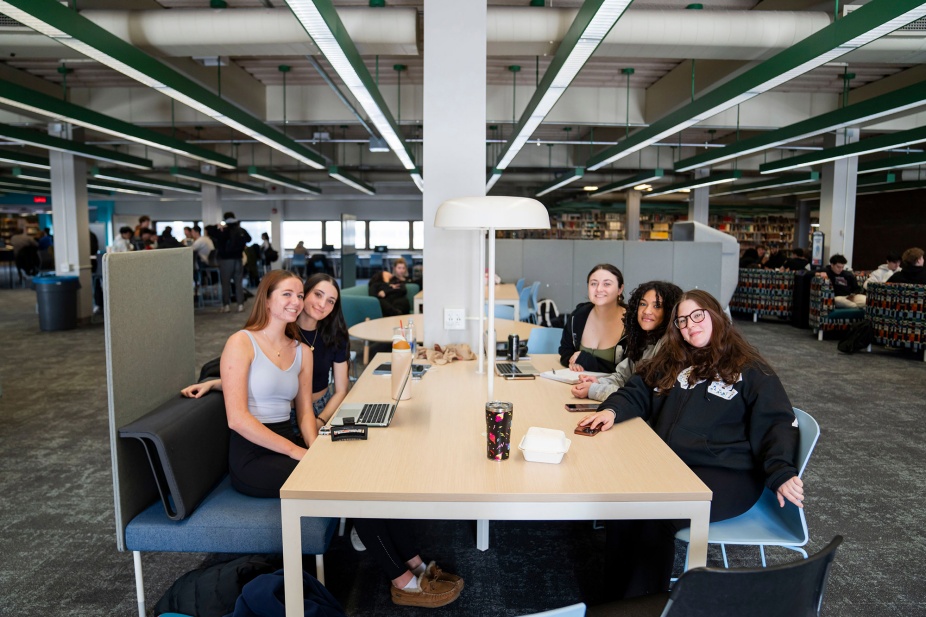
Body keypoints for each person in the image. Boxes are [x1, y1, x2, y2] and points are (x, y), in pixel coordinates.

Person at [182, 270, 464, 607]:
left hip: (288, 441)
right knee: (349, 486)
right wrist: (298, 453)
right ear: (267, 299)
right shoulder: (241, 342)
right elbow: (237, 419)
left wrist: (315, 448)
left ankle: (415, 563)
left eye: (299, 295)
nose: (296, 302)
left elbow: (304, 411)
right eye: (288, 294)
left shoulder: (301, 350)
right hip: (252, 457)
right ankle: (402, 581)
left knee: (366, 474)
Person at [577, 290, 803, 599]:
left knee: (657, 518)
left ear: (716, 316)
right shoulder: (674, 360)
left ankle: (643, 606)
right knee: (624, 506)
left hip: (728, 474)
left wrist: (781, 471)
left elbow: (777, 422)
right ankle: (615, 602)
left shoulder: (750, 369)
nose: (690, 325)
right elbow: (638, 390)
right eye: (682, 320)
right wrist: (612, 410)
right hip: (674, 466)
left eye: (698, 316)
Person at [571, 281, 683, 402]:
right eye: (643, 304)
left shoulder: (670, 348)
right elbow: (623, 377)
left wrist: (594, 390)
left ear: (670, 312)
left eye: (657, 306)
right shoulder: (644, 339)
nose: (647, 311)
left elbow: (640, 396)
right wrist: (599, 382)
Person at [558, 264, 627, 374]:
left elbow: (631, 370)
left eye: (607, 284)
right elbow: (565, 350)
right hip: (577, 381)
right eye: (594, 284)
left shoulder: (633, 322)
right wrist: (573, 362)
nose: (599, 289)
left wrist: (587, 361)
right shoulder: (578, 315)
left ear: (620, 289)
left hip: (613, 385)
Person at [215, 212, 251, 313]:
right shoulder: (241, 230)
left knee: (225, 283)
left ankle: (226, 305)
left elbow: (215, 239)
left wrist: (218, 228)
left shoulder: (223, 230)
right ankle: (240, 305)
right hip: (238, 259)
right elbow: (249, 239)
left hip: (226, 260)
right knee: (238, 283)